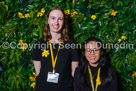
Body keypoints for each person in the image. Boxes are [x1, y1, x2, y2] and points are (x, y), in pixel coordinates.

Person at [32, 6, 79, 91]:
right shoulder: (39, 44)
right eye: (53, 18)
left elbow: (74, 73)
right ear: (48, 20)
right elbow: (38, 72)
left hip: (65, 88)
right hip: (43, 88)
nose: (56, 22)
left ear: (64, 22)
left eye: (60, 19)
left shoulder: (72, 44)